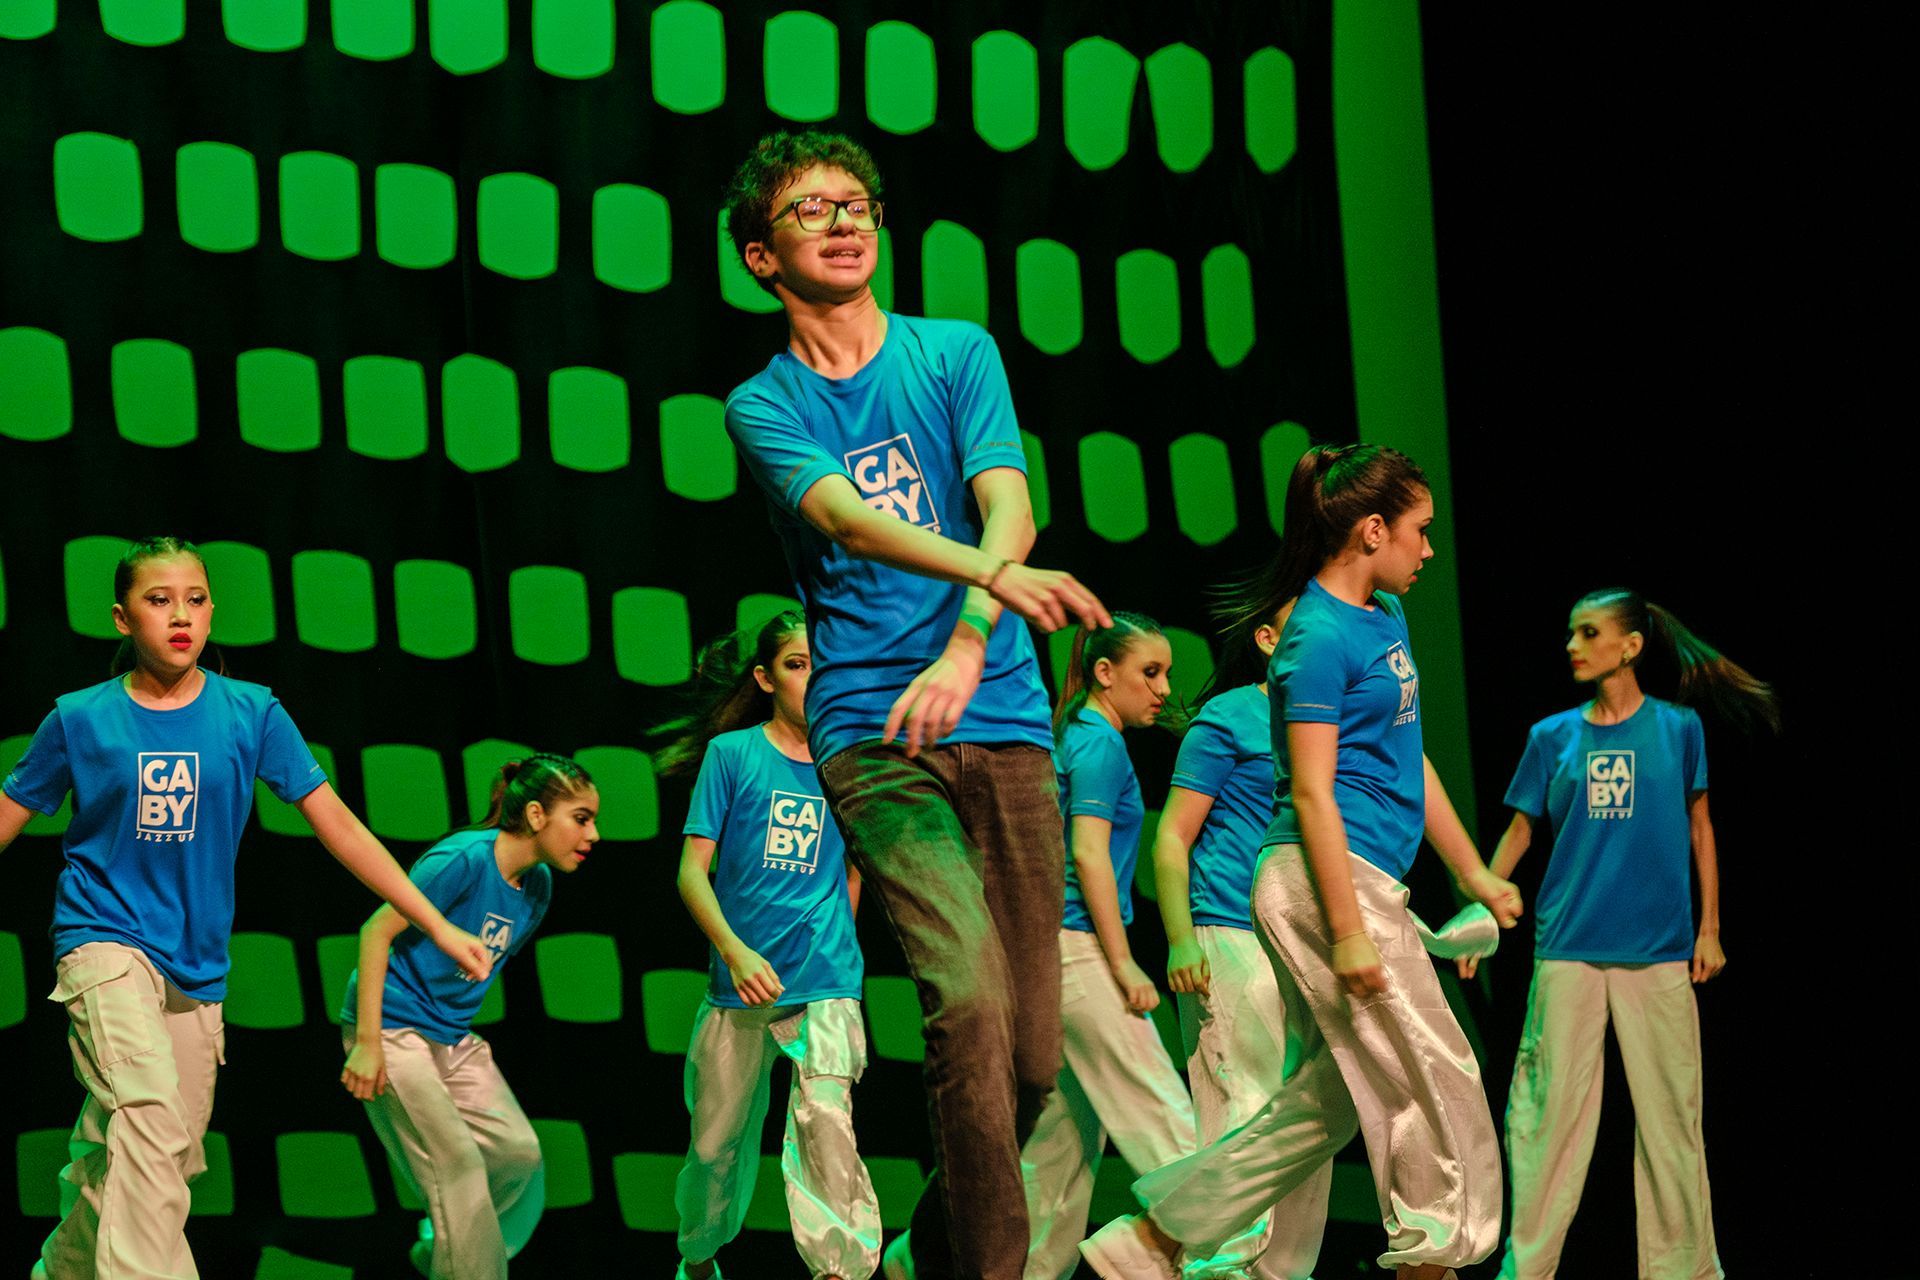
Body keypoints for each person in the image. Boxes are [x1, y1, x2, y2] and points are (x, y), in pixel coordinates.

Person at [720, 128, 1109, 1280]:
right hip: (873, 730)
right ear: (760, 256)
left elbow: (1009, 504)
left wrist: (973, 637)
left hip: (1004, 721)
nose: (844, 221)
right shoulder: (763, 400)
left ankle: (927, 1248)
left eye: (859, 204)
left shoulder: (954, 352)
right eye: (811, 209)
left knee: (1033, 1052)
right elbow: (844, 517)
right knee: (968, 998)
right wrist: (988, 579)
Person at [1080, 444, 1521, 1280]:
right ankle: (1431, 1260)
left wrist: (1471, 872)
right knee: (1434, 1065)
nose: (1429, 551)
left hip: (1363, 879)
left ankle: (1159, 1239)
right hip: (1324, 884)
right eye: (1421, 532)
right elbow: (1312, 795)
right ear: (1372, 530)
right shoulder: (1314, 637)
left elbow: (1410, 758)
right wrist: (1349, 931)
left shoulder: (1382, 618)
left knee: (1333, 1096)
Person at [0, 535, 491, 1280]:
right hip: (102, 940)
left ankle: (59, 1271)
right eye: (158, 600)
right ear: (121, 617)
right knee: (150, 1119)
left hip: (195, 965)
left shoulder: (250, 713)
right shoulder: (80, 718)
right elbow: (8, 813)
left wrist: (436, 921)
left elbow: (342, 827)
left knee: (160, 1158)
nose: (181, 616)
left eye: (195, 600)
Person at [1481, 589, 1775, 1280]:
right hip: (1569, 950)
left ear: (1630, 646)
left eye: (1588, 633)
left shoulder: (1678, 730)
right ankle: (1527, 1267)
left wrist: (1711, 929)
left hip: (1659, 951)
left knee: (1672, 1118)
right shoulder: (1551, 736)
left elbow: (1702, 829)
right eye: (1571, 633)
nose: (1573, 646)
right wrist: (1480, 908)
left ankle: (1684, 1270)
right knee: (1545, 1117)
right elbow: (1521, 831)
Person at [667, 612, 879, 1280]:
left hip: (824, 974)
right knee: (714, 1148)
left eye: (819, 663)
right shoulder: (734, 756)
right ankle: (698, 1255)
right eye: (795, 663)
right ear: (764, 677)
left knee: (827, 1125)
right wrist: (735, 951)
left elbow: (854, 866)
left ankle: (839, 1270)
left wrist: (840, 942)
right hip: (742, 981)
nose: (811, 678)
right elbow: (690, 873)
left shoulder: (847, 762)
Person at [340, 753, 599, 1278]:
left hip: (450, 1037)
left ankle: (451, 1258)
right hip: (390, 1027)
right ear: (534, 815)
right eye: (581, 818)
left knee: (519, 1155)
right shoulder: (461, 860)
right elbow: (376, 933)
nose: (594, 834)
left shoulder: (539, 887)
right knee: (456, 1165)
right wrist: (368, 1042)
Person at [1152, 601, 1330, 1280]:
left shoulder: (1327, 721)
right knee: (1243, 1113)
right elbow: (1172, 837)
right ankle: (1216, 1267)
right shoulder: (1229, 717)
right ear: (1266, 640)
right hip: (1227, 933)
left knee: (1305, 1125)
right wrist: (1179, 941)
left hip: (1306, 946)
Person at [1020, 614, 1195, 1279]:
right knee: (1171, 1132)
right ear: (1104, 672)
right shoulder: (1099, 745)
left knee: (1062, 1150)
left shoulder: (1072, 737)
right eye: (1149, 673)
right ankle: (1207, 1262)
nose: (1161, 688)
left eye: (1166, 673)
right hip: (1083, 955)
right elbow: (1089, 857)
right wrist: (1123, 962)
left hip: (1053, 957)